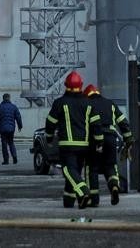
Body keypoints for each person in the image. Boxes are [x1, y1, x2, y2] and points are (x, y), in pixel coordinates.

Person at [44, 70, 100, 208]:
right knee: (75, 171)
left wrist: (49, 138)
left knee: (68, 170)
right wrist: (99, 141)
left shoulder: (60, 103)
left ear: (66, 85)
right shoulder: (88, 103)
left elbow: (50, 122)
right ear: (81, 85)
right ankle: (68, 201)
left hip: (67, 145)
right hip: (84, 146)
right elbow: (96, 124)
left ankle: (83, 191)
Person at [83, 83, 134, 206]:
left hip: (94, 139)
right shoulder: (110, 103)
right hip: (111, 138)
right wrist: (128, 140)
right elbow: (123, 122)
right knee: (110, 166)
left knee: (92, 168)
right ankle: (114, 186)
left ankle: (94, 199)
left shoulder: (87, 105)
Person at [0, 93, 23, 165]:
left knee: (4, 144)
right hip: (11, 129)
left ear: (3, 98)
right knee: (11, 142)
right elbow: (18, 117)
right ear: (9, 98)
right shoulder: (14, 107)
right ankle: (14, 156)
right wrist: (20, 126)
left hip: (3, 129)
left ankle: (6, 160)